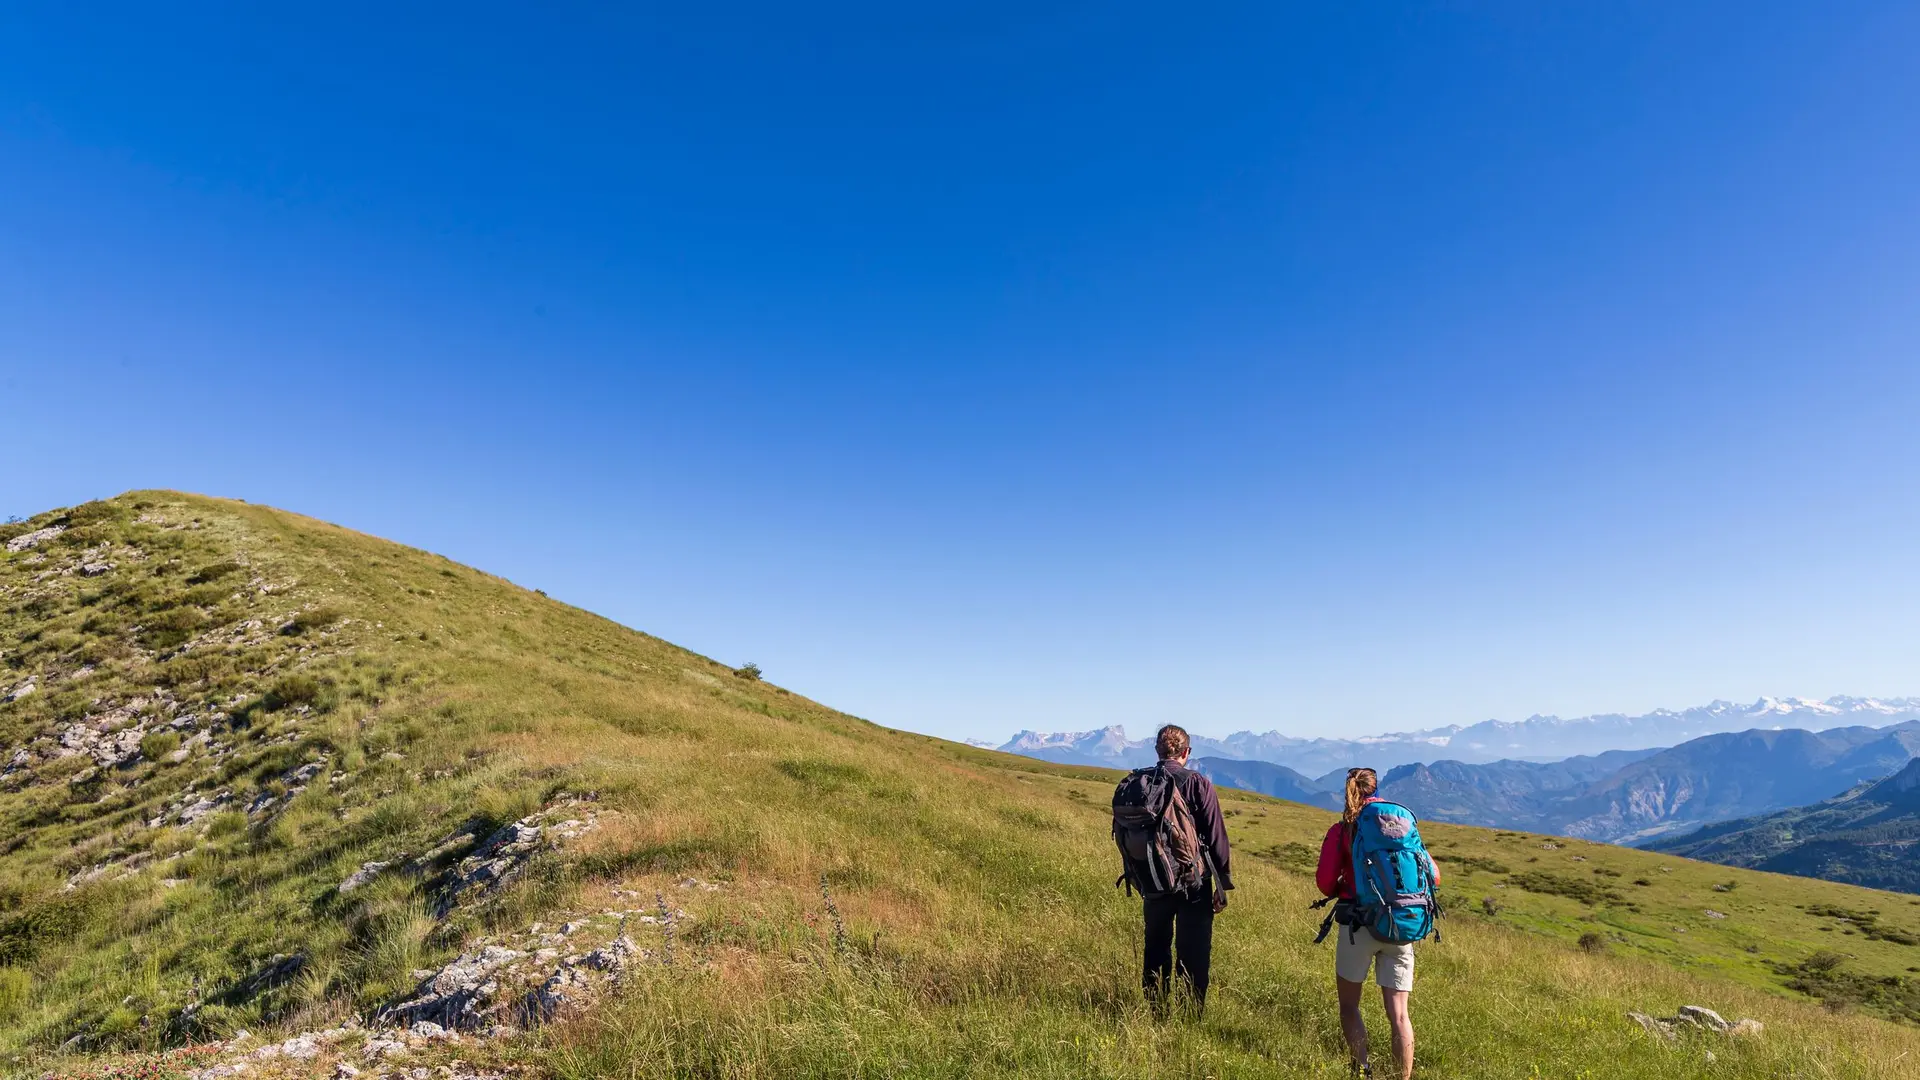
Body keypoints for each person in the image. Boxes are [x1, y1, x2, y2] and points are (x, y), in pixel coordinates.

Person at [1315, 767, 1439, 1080]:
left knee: (1349, 1006)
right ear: (1376, 789)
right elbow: (1434, 876)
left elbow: (1325, 883)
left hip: (1358, 926)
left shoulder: (1343, 829)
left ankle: (1362, 1071)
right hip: (1402, 924)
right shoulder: (1403, 825)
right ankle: (1403, 1078)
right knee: (1399, 1014)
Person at [1139, 724, 1233, 1011]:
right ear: (1186, 752)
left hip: (1153, 879)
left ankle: (1155, 1008)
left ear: (1157, 750)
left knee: (1156, 945)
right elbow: (1216, 836)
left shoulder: (1141, 782)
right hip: (1193, 882)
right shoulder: (1197, 783)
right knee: (1193, 951)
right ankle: (1190, 1013)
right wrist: (1223, 882)